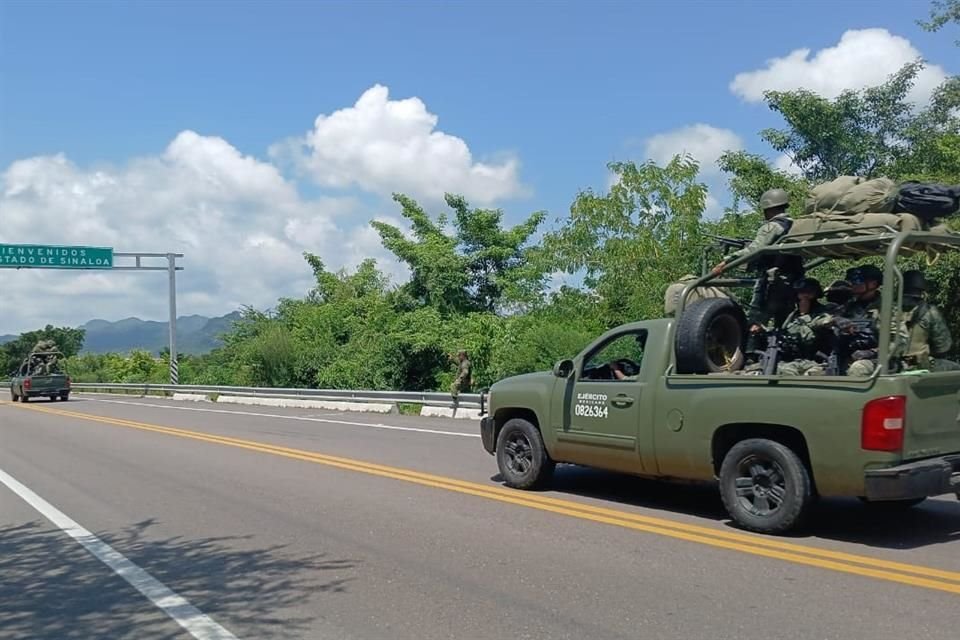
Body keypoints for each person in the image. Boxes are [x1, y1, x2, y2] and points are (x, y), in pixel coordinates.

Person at [711, 188, 793, 275]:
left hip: (775, 277)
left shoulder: (772, 226)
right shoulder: (792, 224)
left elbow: (754, 250)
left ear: (768, 208)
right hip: (791, 274)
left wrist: (726, 261)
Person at [899, 270, 957, 372]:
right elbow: (944, 346)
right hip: (918, 364)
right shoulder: (929, 311)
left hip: (894, 364)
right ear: (923, 289)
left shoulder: (890, 308)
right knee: (956, 368)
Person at [777, 278, 835, 376]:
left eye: (807, 293)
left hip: (816, 361)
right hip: (794, 360)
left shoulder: (823, 314)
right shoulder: (793, 315)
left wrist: (804, 315)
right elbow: (785, 332)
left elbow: (809, 338)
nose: (803, 296)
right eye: (800, 293)